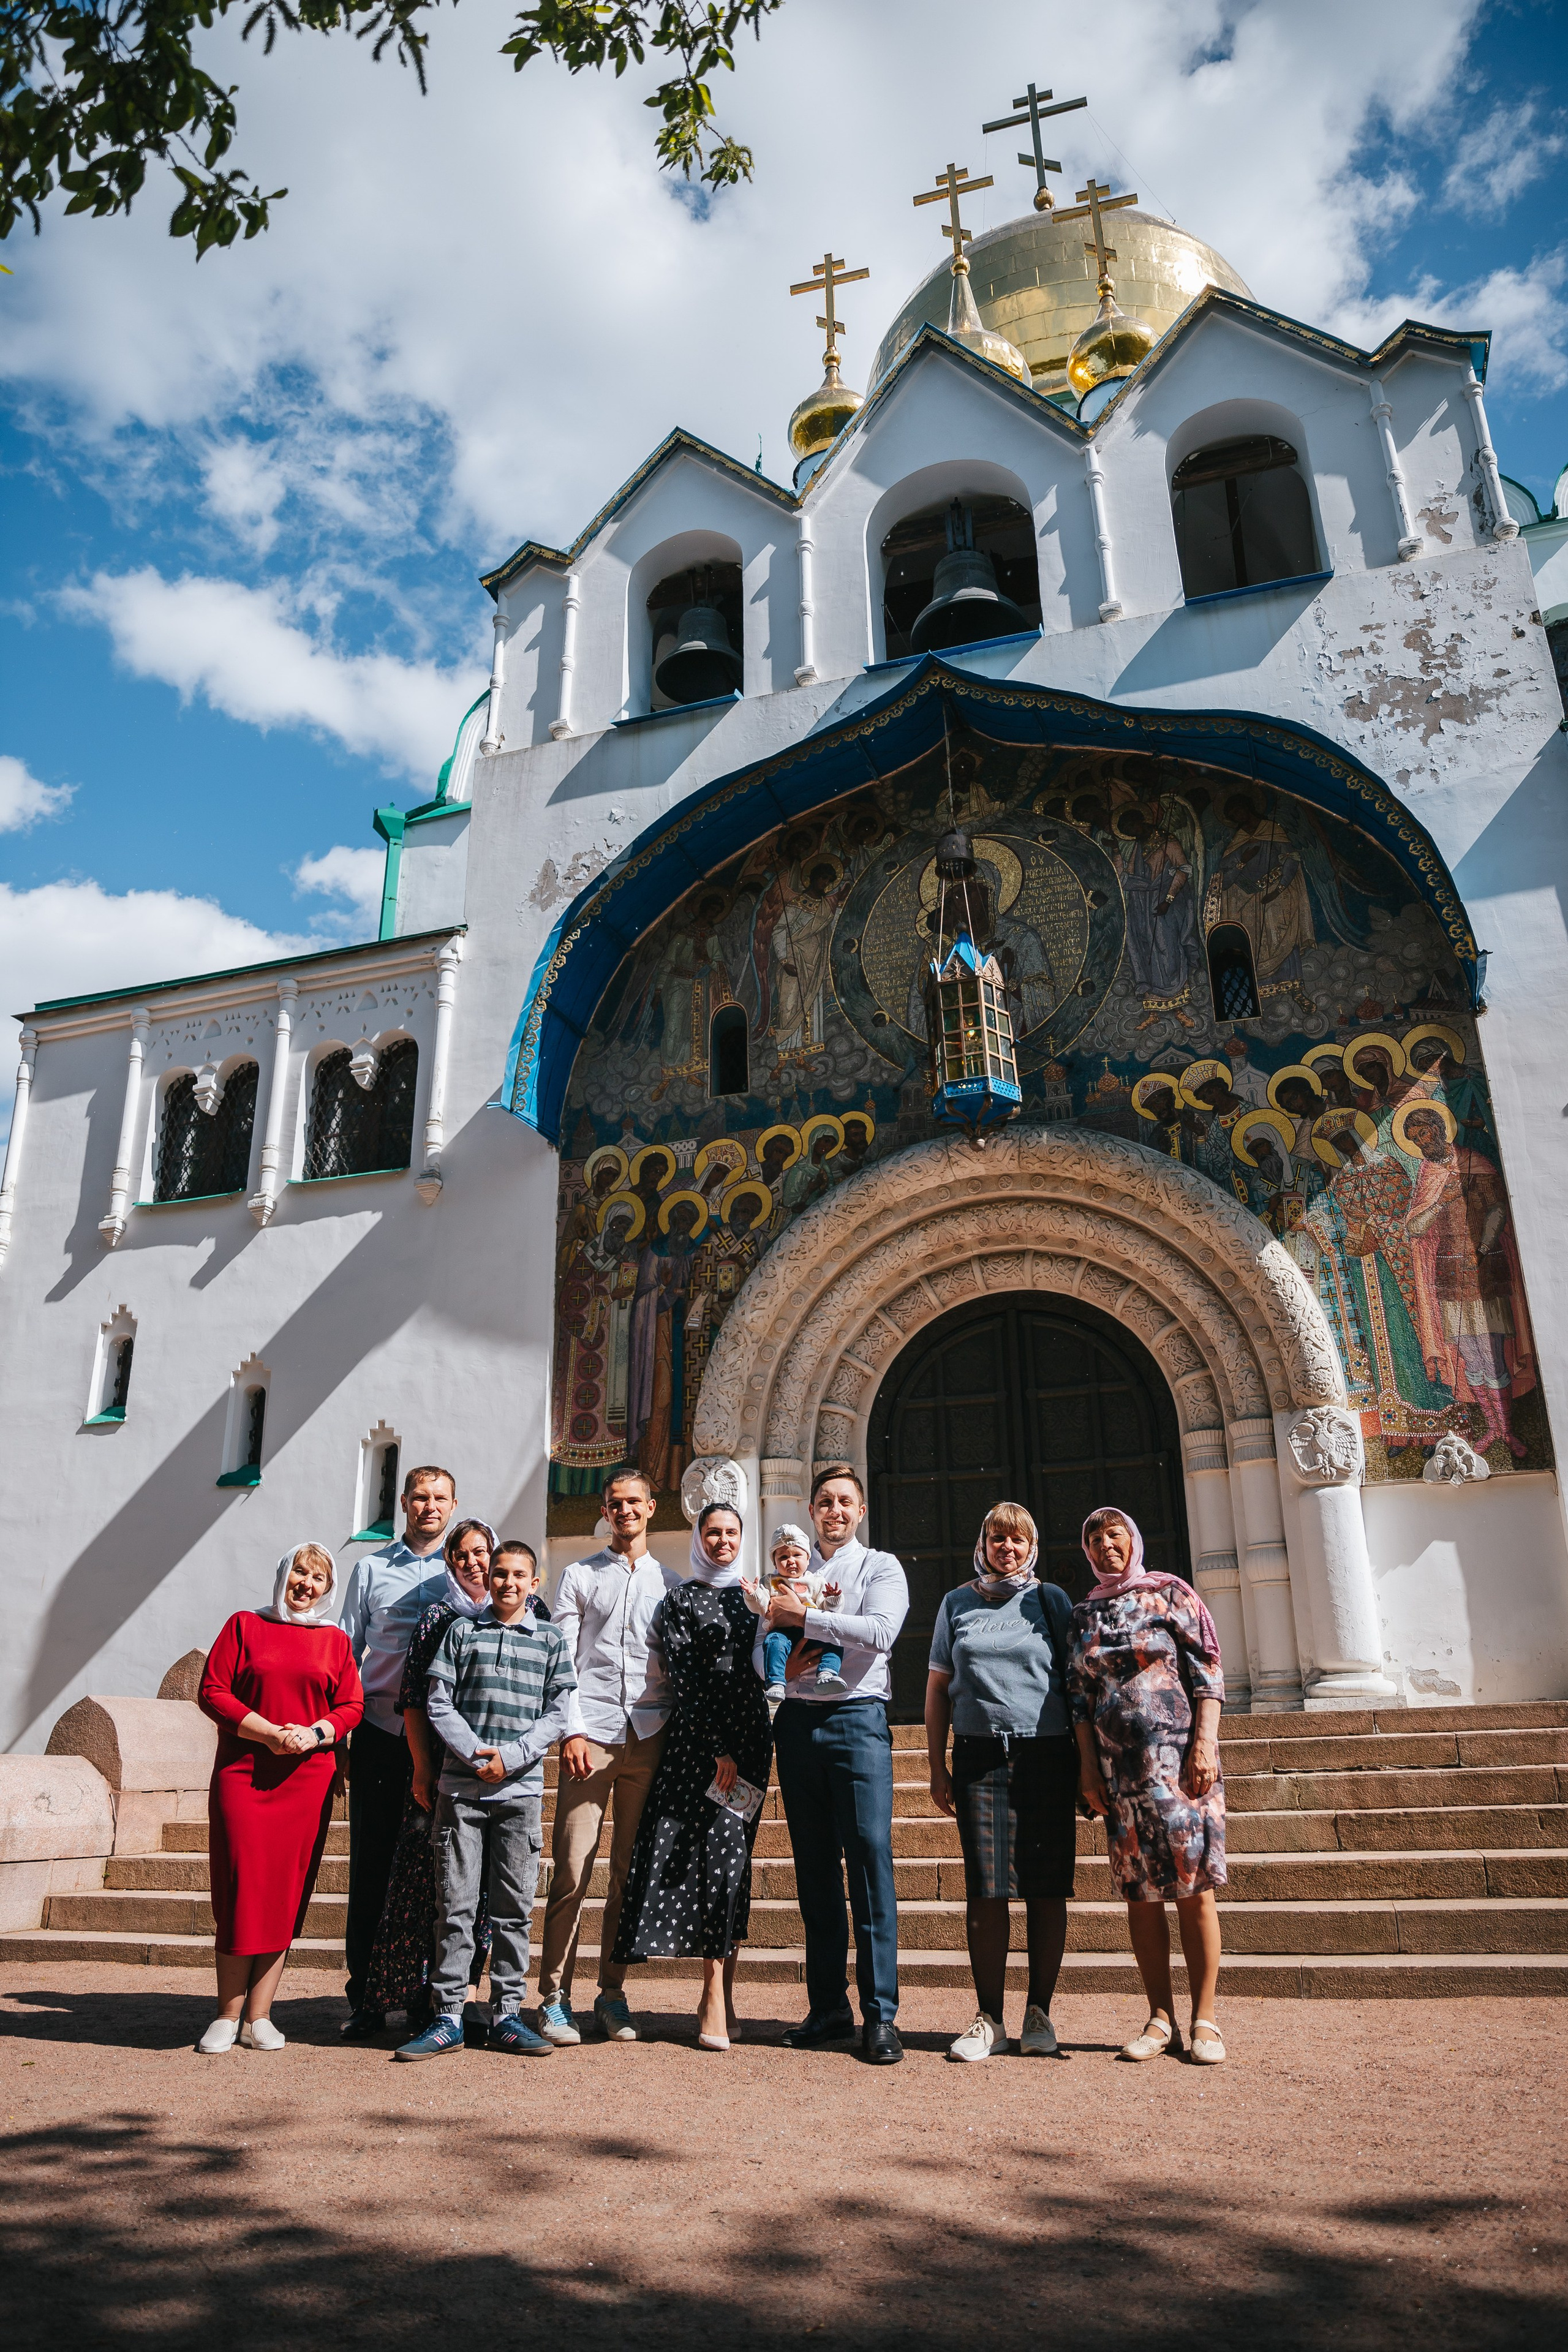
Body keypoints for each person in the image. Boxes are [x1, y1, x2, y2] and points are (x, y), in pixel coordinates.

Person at [395, 1541, 576, 2059]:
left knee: (513, 1910)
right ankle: (449, 2015)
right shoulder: (460, 1631)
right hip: (462, 1794)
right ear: (488, 1578)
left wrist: (514, 1755)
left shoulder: (550, 1639)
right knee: (454, 1905)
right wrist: (477, 1755)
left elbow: (559, 1710)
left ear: (534, 1583)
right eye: (500, 1573)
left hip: (518, 1793)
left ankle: (507, 2015)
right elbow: (437, 1701)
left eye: (519, 1575)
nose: (507, 1583)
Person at [1067, 1507, 1227, 2065]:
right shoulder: (1083, 1613)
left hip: (1181, 1764)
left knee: (1192, 1887)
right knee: (1141, 1893)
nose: (1105, 1543)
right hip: (1120, 1774)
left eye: (1114, 1533)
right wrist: (1088, 1768)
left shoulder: (1171, 1594)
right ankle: (1160, 2018)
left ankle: (1204, 2019)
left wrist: (1204, 1746)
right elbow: (1078, 1699)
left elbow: (1207, 1670)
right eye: (1094, 1537)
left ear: (1132, 1538)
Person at [611, 1502, 774, 2050]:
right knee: (716, 1859)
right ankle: (708, 1996)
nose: (723, 1541)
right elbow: (684, 1676)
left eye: (732, 1533)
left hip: (752, 1744)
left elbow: (774, 1658)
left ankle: (725, 1996)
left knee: (737, 1866)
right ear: (699, 1539)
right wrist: (716, 1748)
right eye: (714, 1533)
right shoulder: (680, 1599)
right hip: (702, 1749)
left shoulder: (758, 1596)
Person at [761, 1464, 909, 2065]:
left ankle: (881, 2016)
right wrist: (776, 1663)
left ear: (860, 1510)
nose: (833, 1511)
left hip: (856, 1720)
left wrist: (805, 1620)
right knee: (814, 1868)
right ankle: (828, 2007)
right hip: (796, 1724)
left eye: (844, 1502)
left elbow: (879, 1632)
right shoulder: (791, 1567)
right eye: (824, 1502)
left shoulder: (879, 1567)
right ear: (812, 1509)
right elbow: (763, 1637)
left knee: (870, 1859)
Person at [925, 1501, 1078, 2064]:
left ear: (1031, 1546)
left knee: (1044, 1887)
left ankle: (1039, 2013)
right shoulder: (957, 1603)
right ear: (983, 1544)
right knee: (986, 1890)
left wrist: (1086, 1763)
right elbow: (939, 1685)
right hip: (979, 1757)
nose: (1006, 1549)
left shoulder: (1049, 1601)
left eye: (1016, 1540)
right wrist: (935, 1762)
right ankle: (989, 2017)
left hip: (1047, 1756)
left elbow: (1075, 1682)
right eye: (996, 1539)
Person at [196, 1544, 364, 2053]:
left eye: (318, 1577)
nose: (307, 1584)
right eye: (300, 1571)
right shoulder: (244, 1626)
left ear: (327, 1589)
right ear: (283, 1573)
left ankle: (260, 2015)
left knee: (286, 1889)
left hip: (307, 1777)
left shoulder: (334, 1641)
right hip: (245, 1772)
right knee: (240, 1884)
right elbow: (213, 1690)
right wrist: (267, 1733)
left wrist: (317, 1733)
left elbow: (351, 1703)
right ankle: (227, 2013)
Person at [536, 1468, 683, 2046]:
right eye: (616, 1502)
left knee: (629, 1873)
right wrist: (570, 1731)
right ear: (605, 1508)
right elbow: (562, 1661)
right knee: (573, 1868)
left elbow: (671, 1669)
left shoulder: (669, 1583)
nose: (625, 1511)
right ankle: (553, 1997)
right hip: (590, 1738)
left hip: (648, 1738)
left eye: (635, 1503)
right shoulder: (578, 1576)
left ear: (651, 1508)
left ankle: (613, 1993)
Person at [363, 1517, 497, 2033]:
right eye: (462, 1555)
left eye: (481, 1552)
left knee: (484, 1889)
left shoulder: (523, 1610)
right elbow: (414, 1700)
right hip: (442, 1770)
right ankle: (412, 1995)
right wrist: (421, 1768)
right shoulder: (438, 1617)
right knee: (427, 1882)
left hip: (499, 1769)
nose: (473, 1563)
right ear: (449, 1561)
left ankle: (464, 1994)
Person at [336, 1463, 456, 2038]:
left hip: (443, 1741)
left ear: (453, 1507)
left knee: (436, 1875)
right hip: (382, 1735)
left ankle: (425, 1997)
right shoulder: (371, 1569)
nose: (429, 1506)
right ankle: (364, 1996)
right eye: (419, 1497)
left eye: (439, 1498)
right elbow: (344, 1655)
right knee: (373, 1869)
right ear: (403, 1503)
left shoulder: (462, 1571)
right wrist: (338, 1743)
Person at [745, 1522, 845, 1705]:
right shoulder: (770, 1582)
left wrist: (833, 1599)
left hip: (813, 1631)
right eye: (783, 1556)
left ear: (808, 1559)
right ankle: (776, 1682)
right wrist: (753, 1594)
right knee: (773, 1643)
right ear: (774, 1562)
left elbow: (828, 1611)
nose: (791, 1560)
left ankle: (827, 1673)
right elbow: (761, 1606)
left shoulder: (816, 1582)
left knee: (835, 1641)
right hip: (784, 1632)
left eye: (797, 1555)